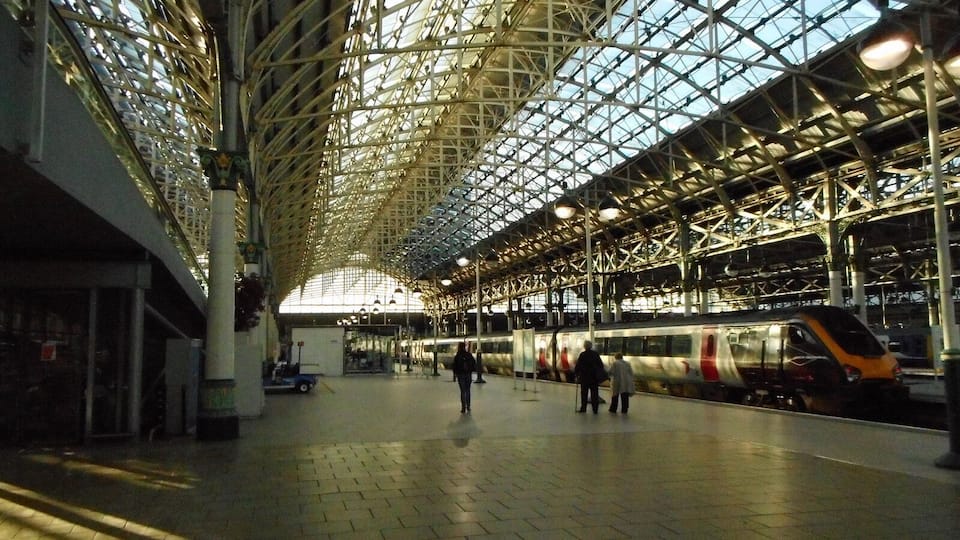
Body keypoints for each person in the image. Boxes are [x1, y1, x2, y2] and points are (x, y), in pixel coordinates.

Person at [574, 340, 604, 414]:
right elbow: (600, 365)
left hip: (584, 377)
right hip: (594, 377)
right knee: (594, 394)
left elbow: (578, 365)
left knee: (584, 394)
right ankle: (595, 409)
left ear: (584, 346)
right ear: (591, 346)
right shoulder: (596, 354)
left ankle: (583, 408)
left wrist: (577, 374)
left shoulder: (582, 355)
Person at [452, 342, 476, 413]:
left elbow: (454, 366)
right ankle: (468, 407)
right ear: (465, 347)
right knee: (468, 390)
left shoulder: (457, 356)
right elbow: (474, 363)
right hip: (468, 375)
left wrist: (455, 375)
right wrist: (470, 371)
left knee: (463, 391)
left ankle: (463, 408)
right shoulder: (469, 355)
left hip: (460, 375)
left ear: (459, 347)